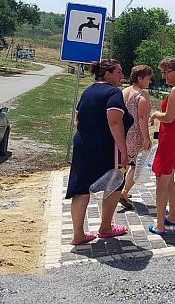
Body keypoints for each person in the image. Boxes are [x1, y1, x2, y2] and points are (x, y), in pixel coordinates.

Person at [65, 59, 133, 246]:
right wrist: (123, 149)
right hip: (106, 147)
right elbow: (114, 121)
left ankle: (78, 234)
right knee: (115, 182)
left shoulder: (88, 90)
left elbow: (79, 116)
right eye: (118, 71)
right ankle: (105, 228)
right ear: (107, 74)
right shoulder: (113, 92)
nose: (122, 75)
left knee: (81, 187)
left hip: (83, 144)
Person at [148, 58, 175, 235]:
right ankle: (173, 215)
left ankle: (160, 224)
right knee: (170, 178)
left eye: (166, 72)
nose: (163, 75)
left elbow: (169, 117)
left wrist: (156, 114)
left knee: (161, 181)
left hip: (171, 139)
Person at [119, 65, 153, 210]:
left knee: (123, 163)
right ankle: (124, 191)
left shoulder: (124, 91)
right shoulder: (142, 96)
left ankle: (119, 189)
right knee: (135, 165)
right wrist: (146, 137)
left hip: (123, 132)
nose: (150, 81)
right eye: (148, 78)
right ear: (140, 79)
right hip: (135, 133)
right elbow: (142, 117)